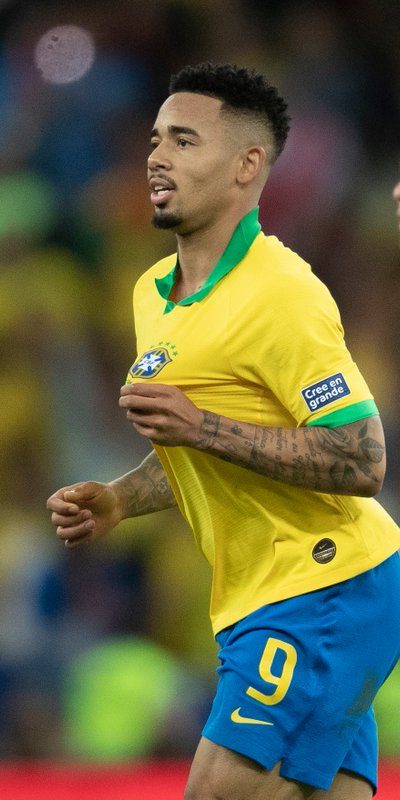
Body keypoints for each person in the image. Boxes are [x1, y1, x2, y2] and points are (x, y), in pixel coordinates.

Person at [47, 63, 400, 800]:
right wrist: (120, 498)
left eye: (184, 141)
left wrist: (202, 425)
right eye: (155, 139)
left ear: (247, 166)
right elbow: (204, 448)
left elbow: (363, 459)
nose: (157, 156)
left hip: (325, 584)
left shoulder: (282, 294)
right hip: (259, 597)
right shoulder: (152, 293)